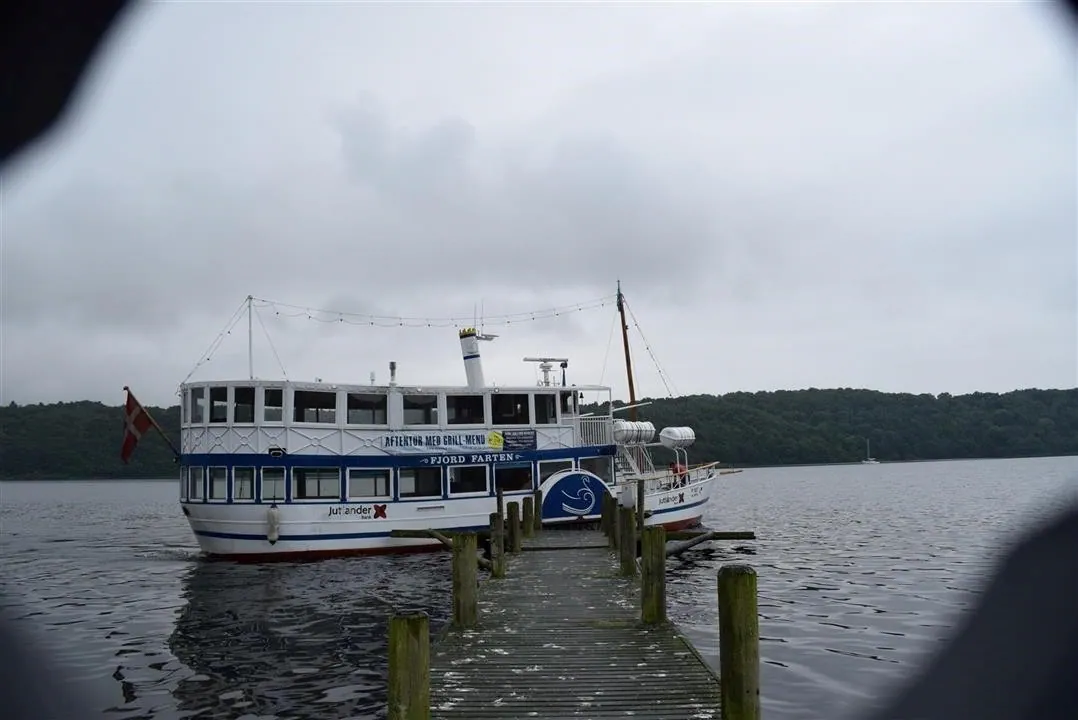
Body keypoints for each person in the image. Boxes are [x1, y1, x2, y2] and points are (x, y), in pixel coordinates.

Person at [1, 3, 1076, 719]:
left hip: (364, 508)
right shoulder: (520, 436)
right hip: (358, 505)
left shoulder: (570, 442)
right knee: (480, 473)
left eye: (562, 402)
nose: (599, 423)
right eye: (560, 400)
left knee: (503, 477)